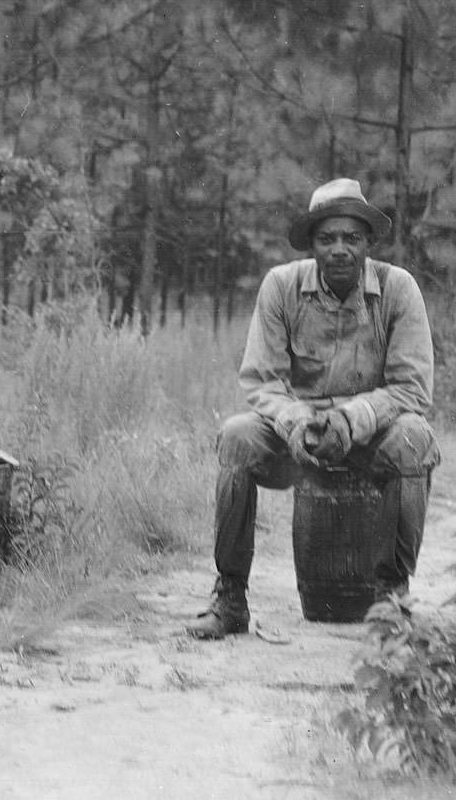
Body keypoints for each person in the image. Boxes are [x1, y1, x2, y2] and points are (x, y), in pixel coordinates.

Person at [187, 178, 439, 639]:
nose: (340, 249)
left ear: (367, 243)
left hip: (371, 434)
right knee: (238, 436)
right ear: (311, 244)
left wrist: (350, 420)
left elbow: (412, 388)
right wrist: (297, 423)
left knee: (413, 439)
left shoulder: (398, 288)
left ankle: (392, 601)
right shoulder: (280, 287)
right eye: (327, 238)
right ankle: (230, 597)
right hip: (295, 438)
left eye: (352, 238)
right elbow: (262, 380)